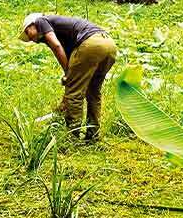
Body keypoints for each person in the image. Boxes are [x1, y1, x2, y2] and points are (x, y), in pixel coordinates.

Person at [19, 13, 117, 141]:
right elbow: (72, 61)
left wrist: (69, 77)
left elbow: (56, 46)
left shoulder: (41, 21)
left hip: (91, 43)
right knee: (93, 92)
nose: (31, 39)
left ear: (32, 24)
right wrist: (68, 78)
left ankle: (72, 137)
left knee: (74, 93)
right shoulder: (65, 32)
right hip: (109, 45)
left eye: (28, 32)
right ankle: (93, 135)